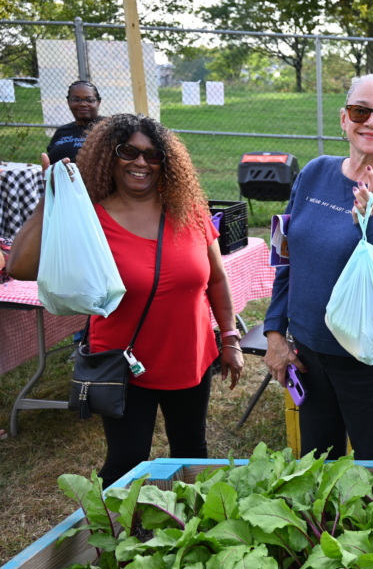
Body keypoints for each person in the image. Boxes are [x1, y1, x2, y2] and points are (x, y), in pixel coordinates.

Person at [7, 113, 243, 483]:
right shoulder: (90, 220)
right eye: (128, 151)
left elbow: (216, 280)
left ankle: (189, 530)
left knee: (192, 450)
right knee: (128, 460)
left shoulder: (190, 212)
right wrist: (50, 197)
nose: (140, 162)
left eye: (152, 155)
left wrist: (229, 338)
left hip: (190, 356)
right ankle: (111, 534)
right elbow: (19, 266)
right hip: (123, 364)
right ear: (108, 156)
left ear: (166, 162)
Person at [262, 73, 373, 461]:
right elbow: (287, 256)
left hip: (372, 360)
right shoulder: (315, 173)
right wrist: (275, 332)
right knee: (317, 466)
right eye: (361, 111)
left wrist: (369, 220)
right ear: (344, 119)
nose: (372, 122)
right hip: (308, 355)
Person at [47, 81, 103, 162]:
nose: (83, 104)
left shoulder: (109, 127)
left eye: (89, 100)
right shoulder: (62, 131)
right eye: (76, 100)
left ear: (98, 102)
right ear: (68, 102)